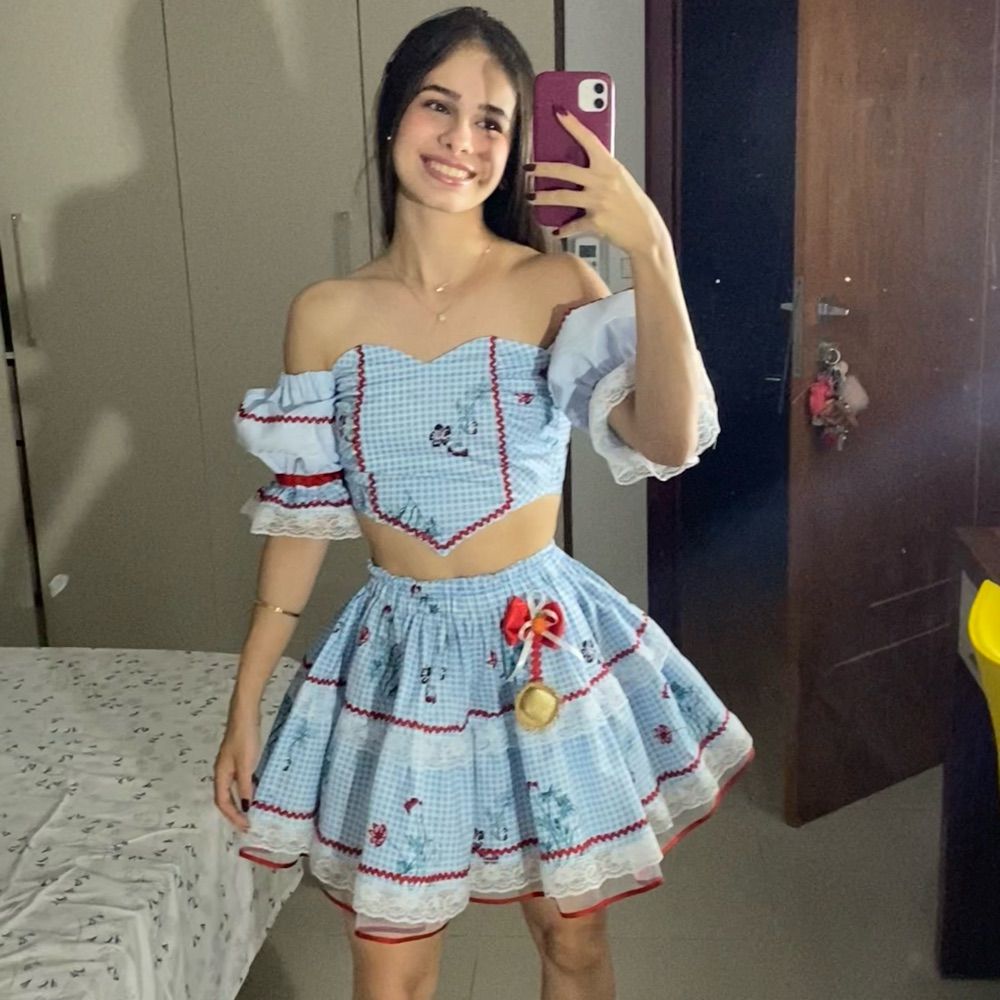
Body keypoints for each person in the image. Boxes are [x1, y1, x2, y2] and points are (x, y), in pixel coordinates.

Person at [214, 7, 754, 999]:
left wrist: (651, 248)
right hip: (394, 658)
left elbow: (670, 441)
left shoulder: (556, 283)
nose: (461, 139)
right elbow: (303, 516)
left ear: (515, 149)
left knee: (572, 944)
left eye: (492, 121)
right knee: (390, 969)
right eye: (438, 106)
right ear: (393, 117)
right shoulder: (324, 314)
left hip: (536, 649)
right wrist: (246, 700)